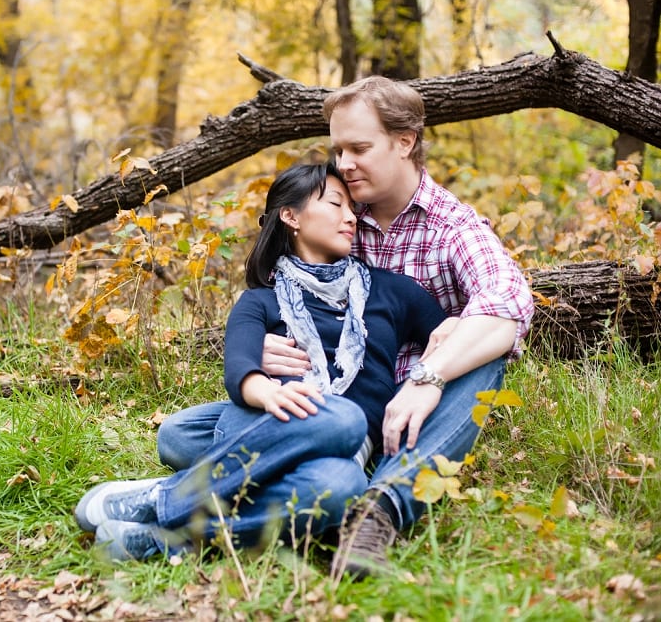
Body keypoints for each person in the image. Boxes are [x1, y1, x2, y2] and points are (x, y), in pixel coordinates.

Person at [156, 76, 535, 576]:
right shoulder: (335, 214)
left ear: (405, 142)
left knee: (488, 352)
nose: (345, 163)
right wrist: (264, 351)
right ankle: (311, 481)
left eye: (359, 147)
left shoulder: (452, 227)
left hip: (418, 412)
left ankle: (379, 508)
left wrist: (430, 375)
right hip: (327, 405)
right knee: (180, 436)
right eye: (339, 150)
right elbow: (277, 292)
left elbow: (509, 301)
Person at [75, 162, 505, 564]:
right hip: (272, 420)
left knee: (342, 488)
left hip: (347, 451)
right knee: (333, 420)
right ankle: (174, 498)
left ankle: (167, 532)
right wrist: (271, 392)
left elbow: (450, 334)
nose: (351, 216)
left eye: (352, 208)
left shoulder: (393, 291)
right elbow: (239, 369)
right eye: (335, 204)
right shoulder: (260, 300)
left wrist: (454, 324)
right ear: (291, 217)